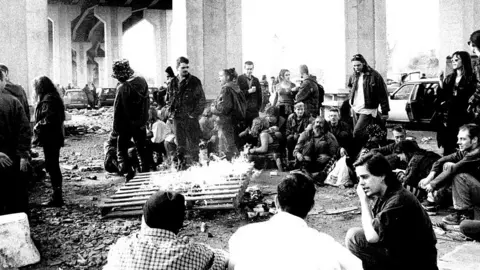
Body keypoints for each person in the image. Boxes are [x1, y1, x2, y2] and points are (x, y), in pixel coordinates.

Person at [228, 172, 362, 270]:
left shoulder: (243, 235)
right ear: (311, 207)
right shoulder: (328, 246)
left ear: (276, 202)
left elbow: (231, 266)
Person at [346, 153, 438, 270]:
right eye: (359, 178)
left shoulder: (398, 200)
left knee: (355, 237)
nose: (361, 183)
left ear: (381, 175)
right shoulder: (388, 193)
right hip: (407, 256)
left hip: (418, 264)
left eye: (365, 177)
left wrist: (363, 202)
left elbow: (371, 237)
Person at [104, 191, 228, 270]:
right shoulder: (194, 252)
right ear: (179, 224)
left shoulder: (122, 246)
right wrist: (193, 246)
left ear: (145, 219)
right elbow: (223, 259)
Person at [418, 124, 480, 219]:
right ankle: (434, 200)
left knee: (460, 176)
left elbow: (456, 168)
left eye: (463, 139)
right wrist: (430, 176)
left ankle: (463, 213)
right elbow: (440, 160)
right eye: (458, 138)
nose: (458, 142)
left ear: (474, 140)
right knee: (447, 164)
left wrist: (433, 184)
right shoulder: (467, 150)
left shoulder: (476, 153)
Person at [112, 59, 150, 179]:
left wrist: (115, 130)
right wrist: (144, 121)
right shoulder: (142, 81)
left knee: (121, 151)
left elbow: (117, 111)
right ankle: (145, 175)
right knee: (142, 150)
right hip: (140, 124)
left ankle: (128, 173)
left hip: (125, 126)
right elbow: (147, 103)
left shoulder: (121, 88)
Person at [0, 70, 31, 215]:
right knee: (16, 199)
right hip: (13, 158)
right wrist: (24, 155)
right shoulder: (12, 101)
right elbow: (24, 130)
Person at [32, 76, 66, 206]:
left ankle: (57, 198)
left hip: (50, 138)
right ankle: (57, 195)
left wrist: (37, 126)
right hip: (54, 137)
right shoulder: (52, 97)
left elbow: (49, 119)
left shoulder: (48, 99)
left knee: (52, 166)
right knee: (53, 166)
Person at [434, 51, 476, 156]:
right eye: (452, 60)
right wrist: (440, 81)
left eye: (456, 60)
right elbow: (441, 97)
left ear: (464, 61)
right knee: (448, 146)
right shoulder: (449, 78)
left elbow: (470, 97)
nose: (453, 62)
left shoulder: (471, 78)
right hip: (448, 118)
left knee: (463, 146)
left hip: (463, 116)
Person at [169, 56, 206, 168]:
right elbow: (169, 99)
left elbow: (201, 100)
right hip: (177, 118)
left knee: (194, 143)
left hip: (190, 118)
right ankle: (181, 166)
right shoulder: (172, 82)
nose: (185, 69)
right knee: (180, 144)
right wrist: (170, 113)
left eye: (187, 67)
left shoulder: (194, 81)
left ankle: (195, 166)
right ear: (177, 68)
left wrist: (193, 114)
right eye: (183, 67)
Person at [347, 54, 389, 143]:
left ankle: (366, 148)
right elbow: (350, 88)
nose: (356, 68)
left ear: (364, 63)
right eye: (354, 66)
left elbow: (383, 94)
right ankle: (363, 151)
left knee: (357, 132)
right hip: (355, 108)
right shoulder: (353, 75)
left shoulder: (375, 76)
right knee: (362, 133)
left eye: (358, 65)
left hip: (367, 109)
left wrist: (385, 111)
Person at [293, 116, 339, 180]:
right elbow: (296, 149)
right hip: (307, 161)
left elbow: (335, 152)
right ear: (314, 123)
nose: (318, 125)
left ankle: (319, 175)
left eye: (321, 123)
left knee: (322, 143)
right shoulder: (305, 134)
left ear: (324, 125)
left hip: (321, 163)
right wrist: (298, 154)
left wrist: (328, 157)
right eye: (317, 122)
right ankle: (306, 173)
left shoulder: (329, 136)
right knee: (309, 144)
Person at [211, 68, 241, 160]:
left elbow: (223, 108)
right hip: (232, 121)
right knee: (230, 145)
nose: (219, 78)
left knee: (226, 147)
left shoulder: (226, 89)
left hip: (224, 122)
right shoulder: (235, 87)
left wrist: (212, 108)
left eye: (221, 76)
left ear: (227, 77)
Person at [237, 61, 262, 128]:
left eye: (251, 69)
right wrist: (248, 91)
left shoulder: (256, 80)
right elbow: (238, 94)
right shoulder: (240, 79)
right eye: (248, 69)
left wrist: (258, 107)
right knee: (243, 129)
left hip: (254, 110)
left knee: (254, 129)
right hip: (244, 110)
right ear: (244, 68)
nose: (249, 71)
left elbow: (260, 96)